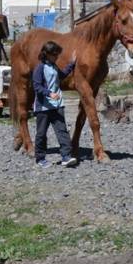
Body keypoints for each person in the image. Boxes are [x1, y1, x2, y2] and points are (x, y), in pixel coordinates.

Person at [32, 40, 78, 168]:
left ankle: (66, 157)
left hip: (57, 105)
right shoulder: (40, 68)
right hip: (43, 107)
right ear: (47, 54)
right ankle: (40, 158)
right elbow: (36, 86)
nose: (57, 56)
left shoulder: (54, 66)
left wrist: (72, 64)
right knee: (41, 133)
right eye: (55, 54)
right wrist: (49, 93)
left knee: (62, 131)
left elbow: (62, 75)